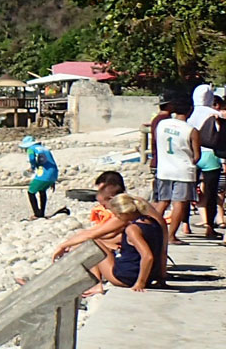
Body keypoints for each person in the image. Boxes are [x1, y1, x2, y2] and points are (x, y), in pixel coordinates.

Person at [91, 196, 164, 291]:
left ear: (125, 213)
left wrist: (140, 283)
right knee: (104, 245)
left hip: (126, 277)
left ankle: (96, 285)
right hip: (149, 277)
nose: (117, 218)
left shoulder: (133, 229)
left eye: (117, 215)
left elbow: (148, 257)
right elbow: (161, 251)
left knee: (93, 244)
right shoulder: (153, 223)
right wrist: (161, 276)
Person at [152, 98, 199, 245]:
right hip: (183, 170)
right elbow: (197, 155)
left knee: (162, 201)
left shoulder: (162, 124)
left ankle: (151, 230)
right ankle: (171, 235)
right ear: (190, 110)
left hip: (164, 168)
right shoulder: (191, 130)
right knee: (179, 203)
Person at [193, 85, 223, 238]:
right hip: (210, 155)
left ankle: (185, 225)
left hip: (192, 155)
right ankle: (209, 226)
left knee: (189, 192)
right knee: (211, 193)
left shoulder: (190, 112)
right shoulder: (214, 114)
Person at [21, 135, 59, 218]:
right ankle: (41, 212)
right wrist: (53, 180)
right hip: (54, 173)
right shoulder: (45, 149)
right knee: (42, 191)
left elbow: (32, 159)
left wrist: (32, 167)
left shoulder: (31, 149)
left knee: (31, 192)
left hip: (43, 174)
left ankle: (37, 214)